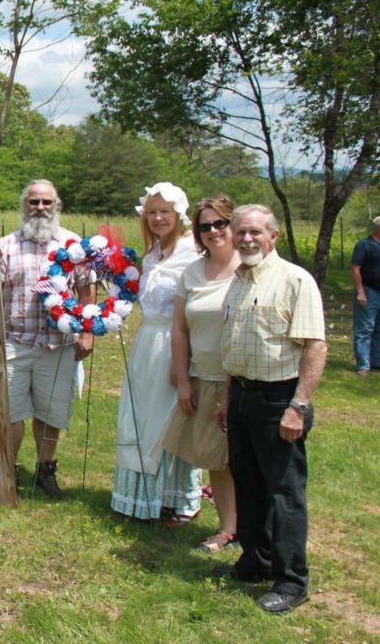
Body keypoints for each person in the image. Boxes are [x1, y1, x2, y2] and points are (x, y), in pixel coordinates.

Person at [216, 204, 327, 615]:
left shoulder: (295, 281)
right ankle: (255, 561)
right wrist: (228, 397)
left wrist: (298, 406)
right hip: (243, 396)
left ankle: (292, 579)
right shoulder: (239, 280)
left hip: (280, 399)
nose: (246, 239)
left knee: (284, 493)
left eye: (255, 233)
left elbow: (315, 346)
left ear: (273, 236)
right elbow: (233, 347)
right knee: (248, 483)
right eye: (240, 232)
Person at [0, 180, 95, 499]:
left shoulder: (73, 245)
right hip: (15, 341)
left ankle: (46, 471)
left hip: (58, 344)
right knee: (11, 410)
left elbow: (86, 288)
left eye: (46, 202)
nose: (40, 208)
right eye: (34, 202)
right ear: (24, 205)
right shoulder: (5, 245)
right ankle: (7, 470)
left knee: (51, 411)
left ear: (57, 205)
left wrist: (86, 332)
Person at [112, 182, 202, 522]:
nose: (158, 218)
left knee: (168, 417)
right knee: (139, 416)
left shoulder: (192, 252)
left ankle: (173, 498)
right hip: (146, 344)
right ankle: (136, 496)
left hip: (175, 343)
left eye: (164, 211)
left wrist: (184, 362)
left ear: (179, 214)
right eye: (151, 212)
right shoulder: (152, 254)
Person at [164, 196, 239, 552]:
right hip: (202, 376)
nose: (212, 231)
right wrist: (182, 378)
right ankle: (228, 529)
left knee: (244, 459)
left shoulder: (249, 268)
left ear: (232, 224)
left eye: (219, 223)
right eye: (204, 226)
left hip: (242, 380)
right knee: (215, 458)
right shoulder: (192, 271)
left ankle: (255, 529)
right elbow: (179, 329)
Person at [350, 215, 380, 376]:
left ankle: (376, 362)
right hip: (368, 291)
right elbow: (355, 268)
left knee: (378, 329)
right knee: (365, 328)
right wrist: (360, 291)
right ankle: (363, 364)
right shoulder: (365, 245)